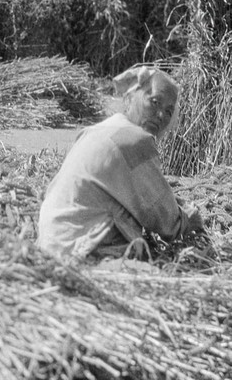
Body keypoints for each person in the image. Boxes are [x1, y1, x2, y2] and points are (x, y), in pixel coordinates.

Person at [37, 65, 204, 261]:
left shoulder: (98, 130)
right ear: (132, 96)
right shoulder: (135, 140)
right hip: (81, 248)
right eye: (154, 102)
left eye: (168, 111)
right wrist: (192, 220)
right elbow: (168, 223)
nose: (160, 116)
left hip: (51, 241)